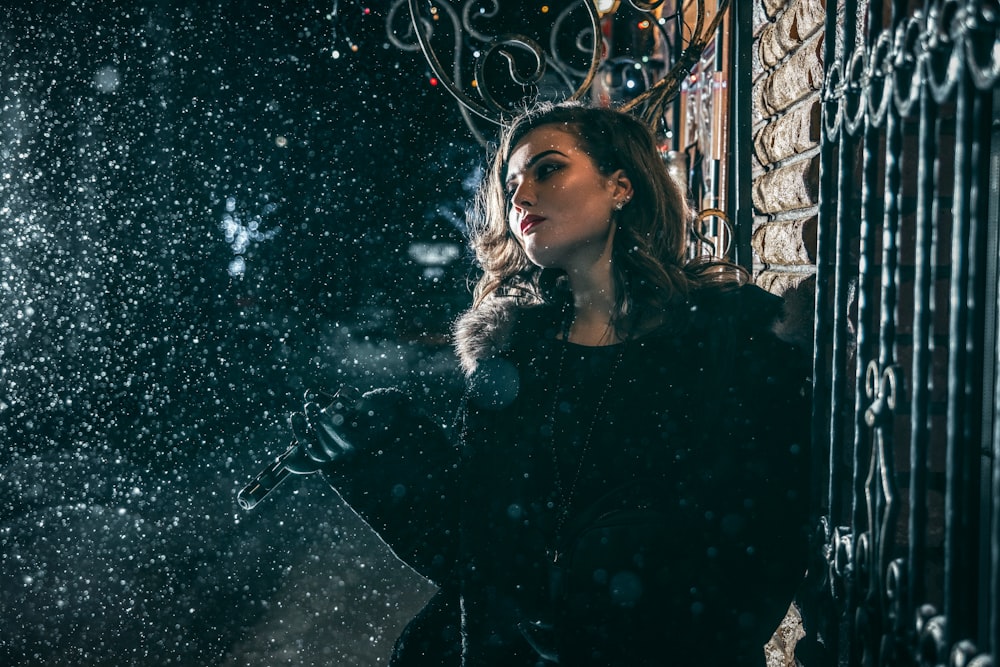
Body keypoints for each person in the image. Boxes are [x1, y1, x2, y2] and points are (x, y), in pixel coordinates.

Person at [298, 101, 812, 666]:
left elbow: (765, 540)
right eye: (511, 183)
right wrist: (376, 446)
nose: (520, 198)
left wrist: (616, 621)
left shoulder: (729, 337)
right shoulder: (517, 356)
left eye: (547, 169)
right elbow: (476, 548)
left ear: (621, 185)